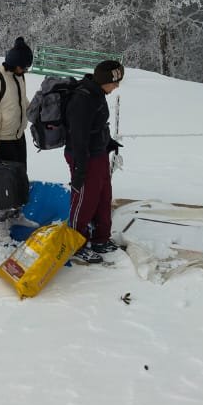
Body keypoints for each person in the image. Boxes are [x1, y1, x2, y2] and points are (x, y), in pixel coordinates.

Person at [64, 59, 125, 263]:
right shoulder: (83, 98)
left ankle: (100, 239)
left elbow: (96, 125)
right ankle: (76, 243)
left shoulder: (98, 93)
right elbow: (78, 136)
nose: (117, 86)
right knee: (85, 199)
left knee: (103, 196)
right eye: (115, 82)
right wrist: (80, 167)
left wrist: (107, 142)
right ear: (104, 80)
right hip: (83, 156)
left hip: (98, 153)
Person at [0, 36, 33, 224]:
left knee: (19, 178)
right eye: (23, 67)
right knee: (3, 183)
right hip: (2, 140)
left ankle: (16, 215)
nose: (25, 70)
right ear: (13, 63)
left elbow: (22, 101)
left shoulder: (18, 76)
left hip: (18, 136)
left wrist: (36, 113)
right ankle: (0, 223)